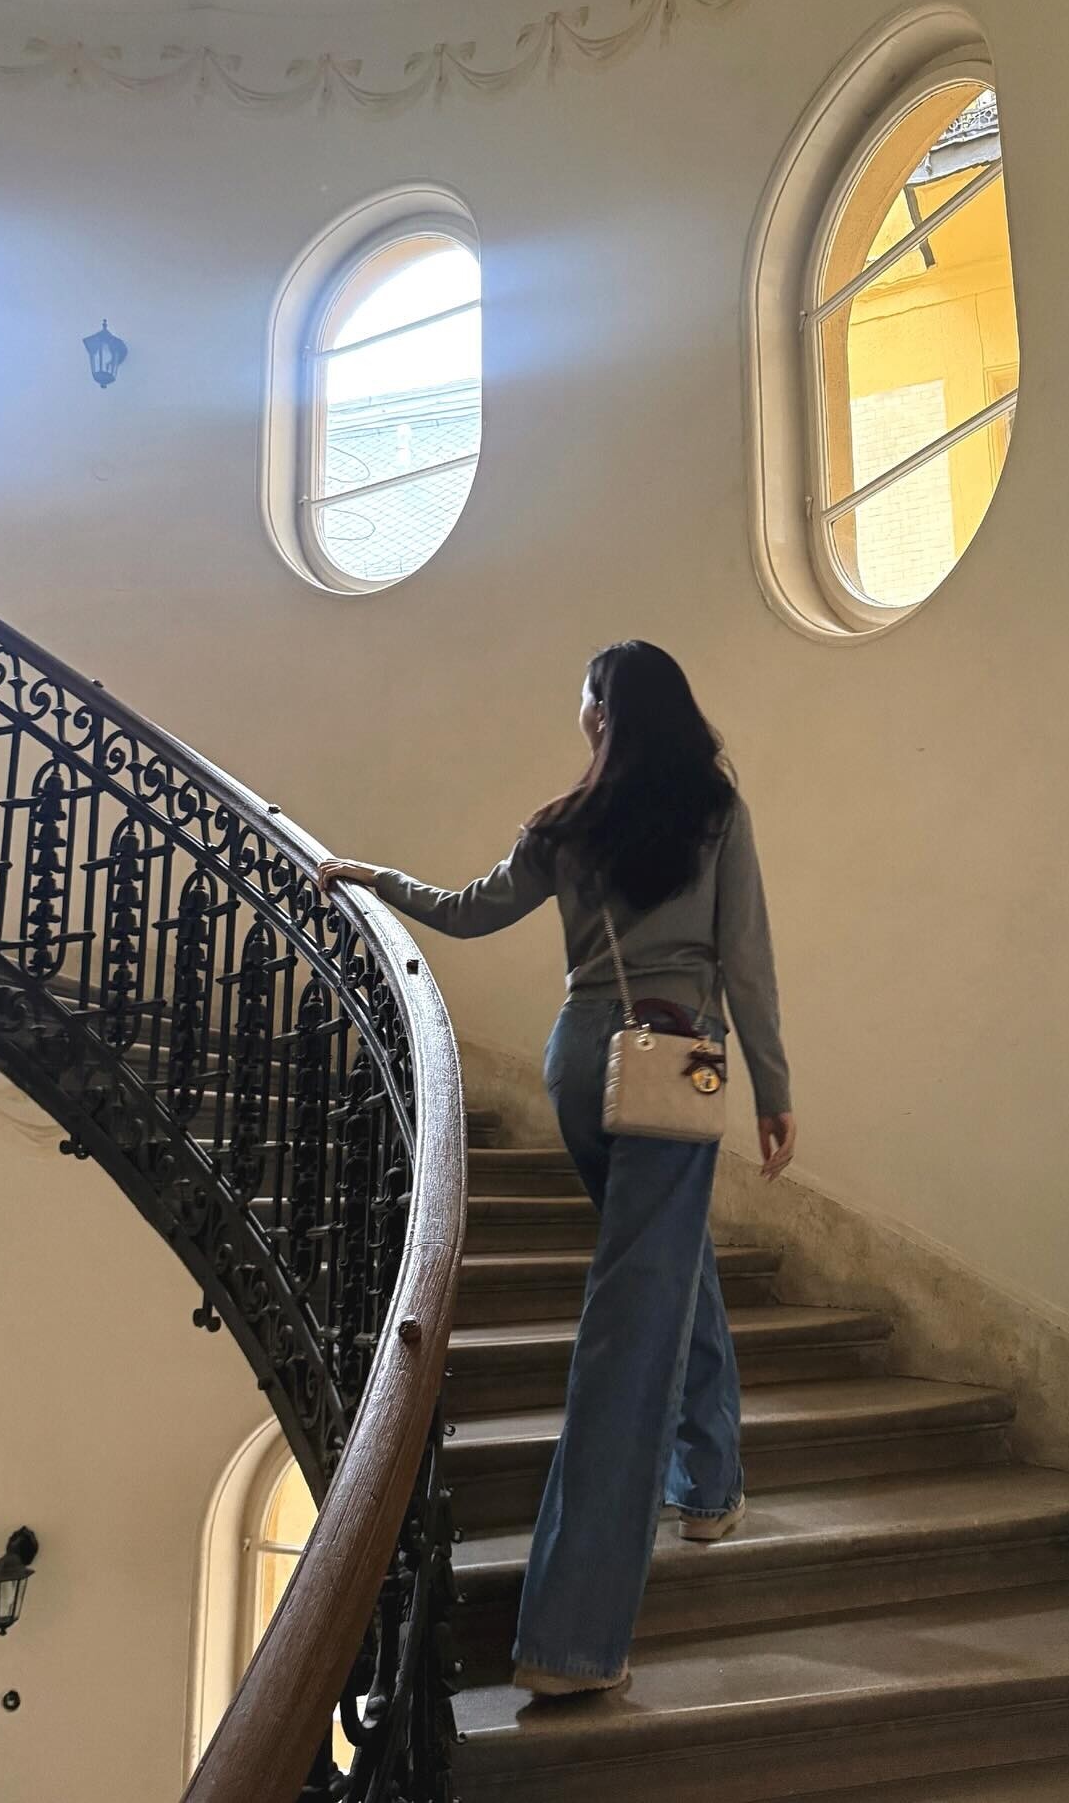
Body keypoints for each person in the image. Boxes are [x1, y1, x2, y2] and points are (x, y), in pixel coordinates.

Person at [317, 639, 794, 1699]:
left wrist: (377, 880)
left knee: (665, 1265)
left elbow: (468, 908)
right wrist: (773, 1086)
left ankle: (710, 1484)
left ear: (604, 714)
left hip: (582, 1061)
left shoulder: (565, 825)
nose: (581, 714)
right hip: (675, 1063)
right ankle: (571, 1639)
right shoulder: (715, 812)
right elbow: (747, 961)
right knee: (633, 1322)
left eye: (587, 701)